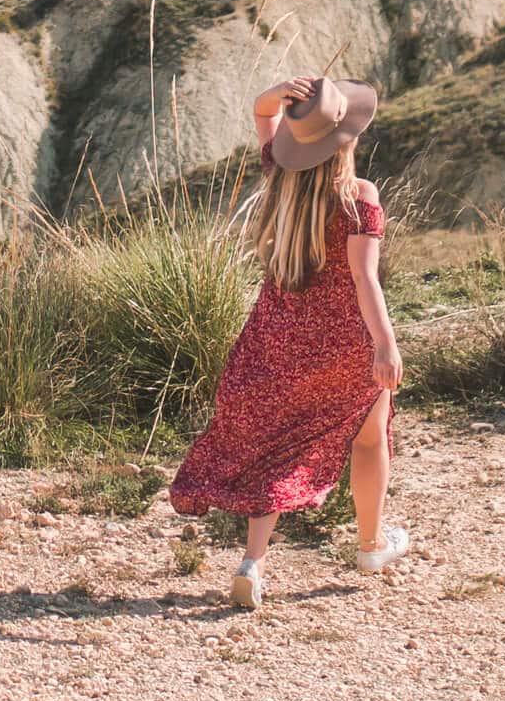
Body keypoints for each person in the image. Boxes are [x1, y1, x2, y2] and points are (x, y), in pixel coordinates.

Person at [169, 73, 407, 610]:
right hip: (344, 343)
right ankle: (370, 544)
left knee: (276, 445)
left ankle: (253, 562)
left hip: (276, 336)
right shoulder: (358, 198)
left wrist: (278, 93)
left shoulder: (280, 179)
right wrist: (385, 345)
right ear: (347, 139)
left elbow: (262, 115)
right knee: (370, 438)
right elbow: (365, 280)